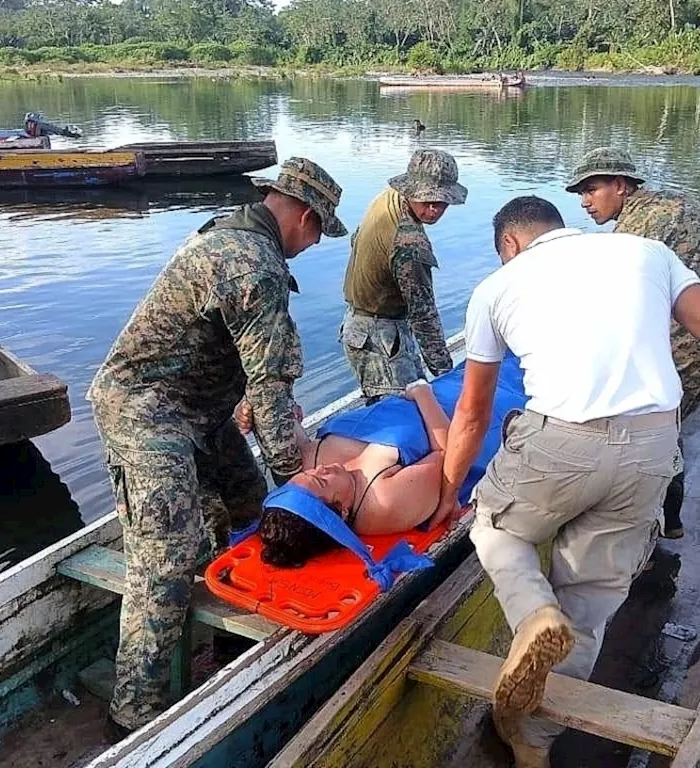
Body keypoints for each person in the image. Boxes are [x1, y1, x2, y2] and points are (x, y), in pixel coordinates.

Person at [432, 196, 700, 767]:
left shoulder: (496, 288)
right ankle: (534, 740)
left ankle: (531, 615)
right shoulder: (647, 251)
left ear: (509, 245)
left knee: (497, 529)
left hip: (560, 444)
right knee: (590, 602)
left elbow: (472, 414)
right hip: (652, 447)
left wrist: (449, 495)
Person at [85, 157, 347, 735]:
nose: (311, 245)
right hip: (146, 410)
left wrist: (252, 411)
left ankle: (231, 640)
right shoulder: (254, 263)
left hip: (200, 408)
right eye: (317, 233)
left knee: (247, 502)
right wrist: (300, 487)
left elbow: (238, 358)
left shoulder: (232, 233)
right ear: (304, 215)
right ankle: (134, 717)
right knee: (164, 555)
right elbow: (274, 386)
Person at [566, 147, 700, 540]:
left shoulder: (630, 235)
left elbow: (613, 305)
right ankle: (670, 521)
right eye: (580, 193)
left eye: (591, 189)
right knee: (672, 428)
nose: (584, 202)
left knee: (655, 435)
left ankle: (660, 523)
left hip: (674, 353)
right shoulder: (688, 201)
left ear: (620, 185)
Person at [235, 380, 451, 567]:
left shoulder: (312, 468)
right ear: (343, 512)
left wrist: (250, 413)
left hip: (425, 395)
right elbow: (450, 454)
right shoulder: (384, 502)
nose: (321, 468)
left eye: (307, 474)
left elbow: (290, 421)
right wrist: (422, 392)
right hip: (453, 409)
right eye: (321, 480)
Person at [340, 148, 467, 403]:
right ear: (410, 190)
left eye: (441, 202)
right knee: (402, 413)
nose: (433, 209)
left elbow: (356, 240)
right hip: (379, 338)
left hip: (359, 327)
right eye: (426, 200)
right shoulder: (410, 242)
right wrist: (448, 377)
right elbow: (423, 316)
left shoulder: (386, 199)